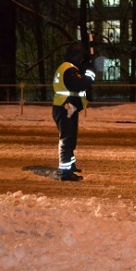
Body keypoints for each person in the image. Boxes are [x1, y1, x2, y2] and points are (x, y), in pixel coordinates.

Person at [52, 43, 96, 182]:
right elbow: (81, 84)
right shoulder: (69, 70)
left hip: (66, 107)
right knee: (67, 140)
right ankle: (66, 172)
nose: (81, 60)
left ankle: (70, 166)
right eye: (81, 57)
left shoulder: (66, 68)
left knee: (70, 139)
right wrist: (90, 72)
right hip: (66, 107)